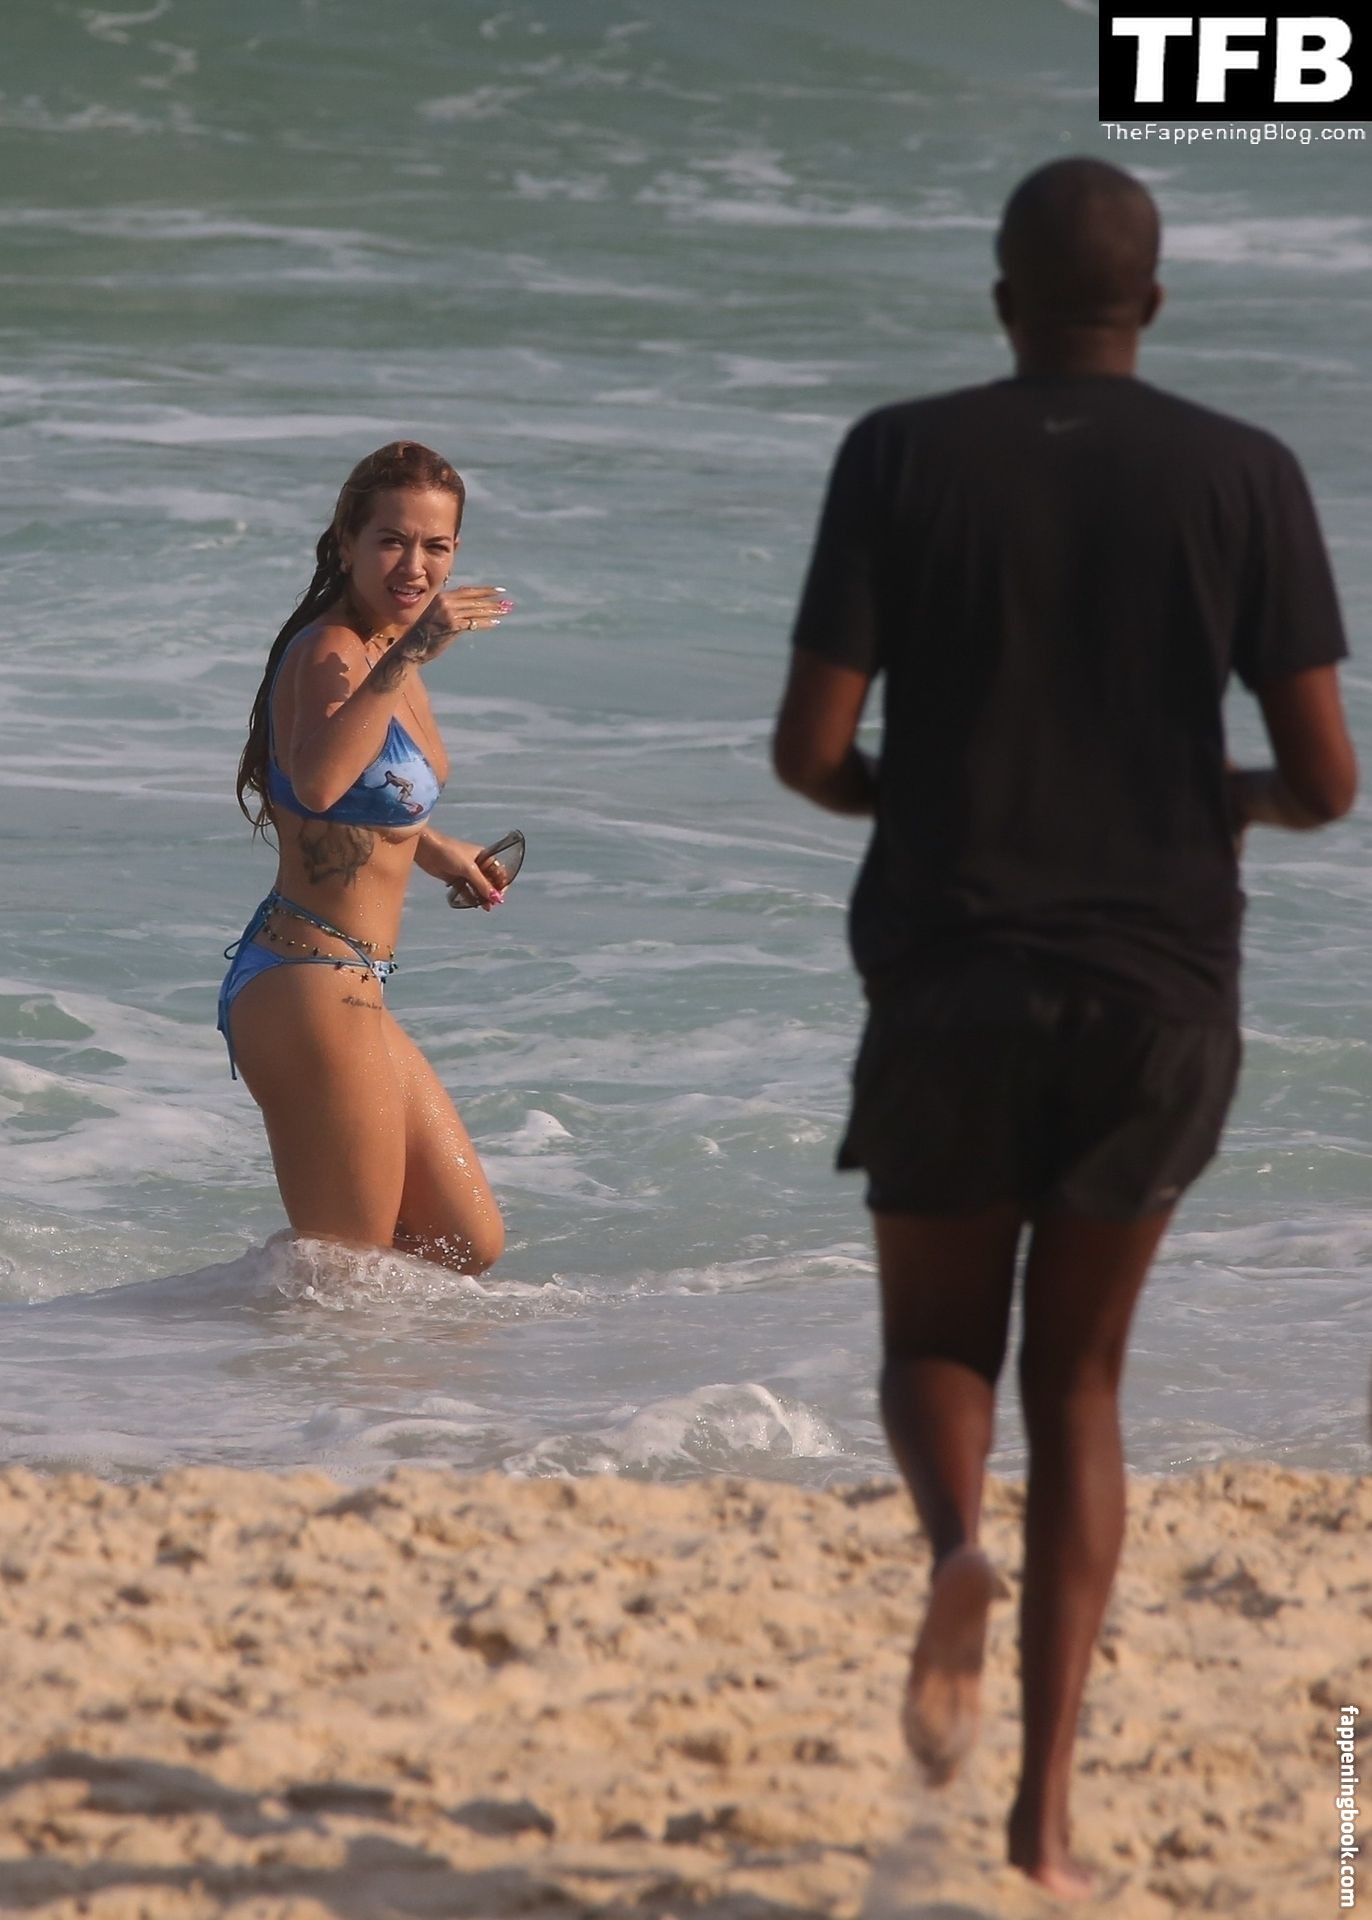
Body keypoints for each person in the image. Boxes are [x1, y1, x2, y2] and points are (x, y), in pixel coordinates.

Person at [772, 158, 1356, 1897]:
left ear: (1000, 300)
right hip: (1157, 989)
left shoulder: (899, 456)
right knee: (1081, 1383)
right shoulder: (1246, 474)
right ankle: (1043, 1828)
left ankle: (959, 1542)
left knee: (936, 1346)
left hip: (952, 971)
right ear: (1151, 304)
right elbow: (1328, 781)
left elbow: (809, 752)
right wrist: (1214, 803)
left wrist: (920, 800)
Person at [221, 440, 515, 1274]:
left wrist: (434, 848)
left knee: (462, 1245)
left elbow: (346, 786)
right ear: (346, 541)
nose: (415, 566)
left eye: (436, 546)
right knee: (349, 1272)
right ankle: (201, 1346)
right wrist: (411, 654)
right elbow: (317, 782)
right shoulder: (333, 652)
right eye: (392, 540)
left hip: (352, 980)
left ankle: (229, 1336)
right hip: (305, 978)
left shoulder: (385, 647)